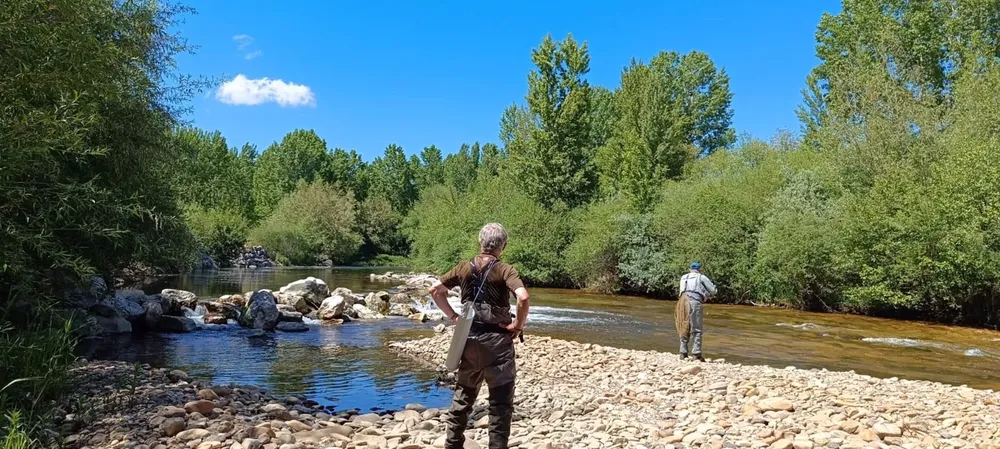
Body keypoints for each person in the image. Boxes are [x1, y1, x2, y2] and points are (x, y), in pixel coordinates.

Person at [428, 223, 530, 449]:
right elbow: (522, 297)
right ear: (503, 246)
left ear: (480, 242)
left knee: (463, 398)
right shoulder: (505, 270)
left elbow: (435, 290)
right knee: (500, 404)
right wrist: (517, 326)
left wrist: (453, 316)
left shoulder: (463, 267)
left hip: (469, 341)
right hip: (498, 345)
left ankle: (453, 445)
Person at [677, 261, 717, 362]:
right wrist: (706, 293)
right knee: (697, 329)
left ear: (690, 269)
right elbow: (713, 291)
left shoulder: (683, 277)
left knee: (683, 325)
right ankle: (696, 354)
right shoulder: (701, 277)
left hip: (682, 302)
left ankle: (683, 353)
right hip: (695, 302)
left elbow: (681, 291)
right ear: (699, 269)